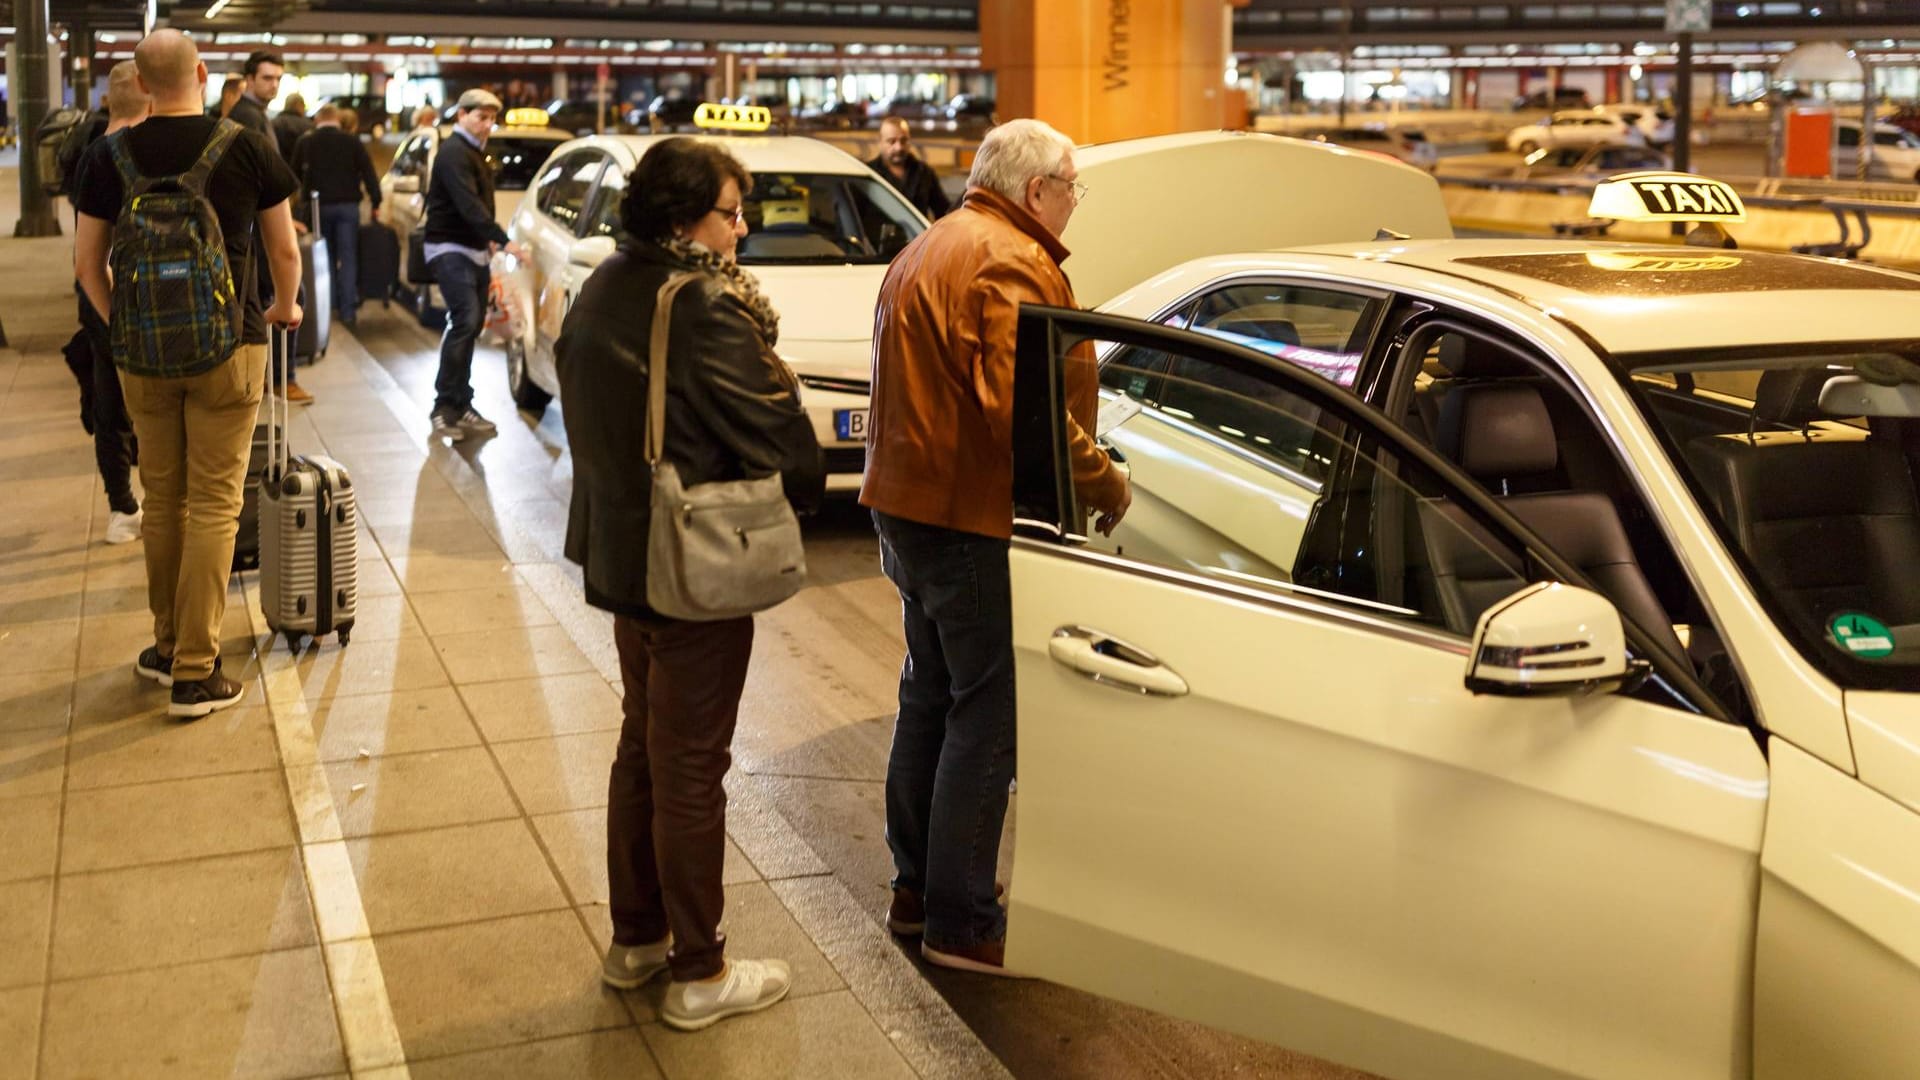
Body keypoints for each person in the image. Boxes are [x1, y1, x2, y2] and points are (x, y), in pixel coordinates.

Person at [555, 137, 822, 1031]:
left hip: (623, 556)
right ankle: (700, 972)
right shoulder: (704, 304)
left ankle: (636, 942)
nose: (743, 229)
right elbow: (789, 446)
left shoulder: (604, 279)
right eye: (731, 213)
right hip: (689, 568)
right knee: (690, 766)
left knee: (644, 745)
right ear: (683, 219)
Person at [860, 118, 1131, 975]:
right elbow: (1026, 413)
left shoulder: (932, 243)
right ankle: (962, 918)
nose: (1074, 204)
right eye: (1071, 188)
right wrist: (1104, 482)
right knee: (989, 711)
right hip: (963, 514)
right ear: (1035, 190)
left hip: (904, 503)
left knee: (931, 694)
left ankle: (917, 889)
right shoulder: (1010, 259)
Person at [72, 29, 302, 719]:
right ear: (202, 73)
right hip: (230, 349)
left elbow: (88, 267)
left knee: (162, 499)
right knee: (215, 504)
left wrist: (122, 331)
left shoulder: (106, 157)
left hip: (142, 353)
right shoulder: (244, 145)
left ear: (140, 83)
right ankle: (197, 673)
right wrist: (284, 309)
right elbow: (284, 251)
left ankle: (168, 646)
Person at [67, 60, 149, 545]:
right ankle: (151, 500)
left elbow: (84, 255)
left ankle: (122, 507)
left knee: (109, 402)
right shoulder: (136, 153)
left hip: (95, 293)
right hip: (137, 295)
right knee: (153, 402)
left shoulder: (86, 151)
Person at [422, 87, 525, 441]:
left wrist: (491, 239)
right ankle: (443, 407)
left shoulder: (474, 152)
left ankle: (462, 403)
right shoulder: (454, 153)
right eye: (481, 117)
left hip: (473, 250)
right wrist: (503, 237)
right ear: (461, 115)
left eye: (492, 118)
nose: (487, 125)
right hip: (449, 248)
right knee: (465, 320)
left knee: (471, 324)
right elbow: (468, 205)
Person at [223, 51, 312, 403]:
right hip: (258, 225)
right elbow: (259, 177)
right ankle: (279, 379)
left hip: (260, 220)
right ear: (249, 79)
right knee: (286, 294)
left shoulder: (255, 114)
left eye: (278, 79)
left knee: (265, 295)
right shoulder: (247, 116)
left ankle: (265, 376)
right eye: (266, 78)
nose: (273, 84)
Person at [290, 103, 381, 329]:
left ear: (318, 119)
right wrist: (376, 201)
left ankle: (327, 307)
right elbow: (369, 173)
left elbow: (292, 176)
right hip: (348, 206)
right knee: (348, 257)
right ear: (337, 119)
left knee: (325, 258)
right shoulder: (352, 141)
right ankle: (348, 311)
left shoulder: (306, 141)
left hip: (318, 207)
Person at [867, 116, 951, 220]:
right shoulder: (868, 174)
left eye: (903, 141)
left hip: (918, 235)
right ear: (880, 142)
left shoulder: (924, 172)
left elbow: (943, 211)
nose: (899, 147)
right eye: (892, 141)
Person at [271, 91, 312, 160]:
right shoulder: (308, 125)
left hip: (279, 164)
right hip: (300, 167)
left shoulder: (273, 123)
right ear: (300, 105)